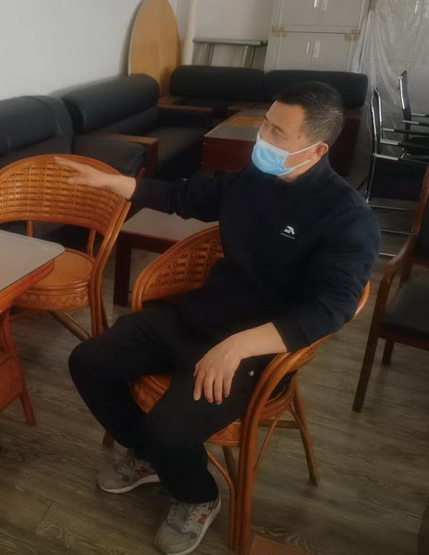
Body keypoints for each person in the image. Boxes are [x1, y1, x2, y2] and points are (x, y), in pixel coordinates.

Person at [58, 81, 379, 555]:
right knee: (89, 361)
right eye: (265, 124)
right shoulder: (254, 179)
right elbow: (185, 196)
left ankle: (197, 496)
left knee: (170, 431)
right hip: (199, 317)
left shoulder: (345, 216)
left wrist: (239, 346)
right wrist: (116, 184)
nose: (262, 138)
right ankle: (147, 456)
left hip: (255, 350)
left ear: (316, 149)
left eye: (277, 132)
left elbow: (332, 308)